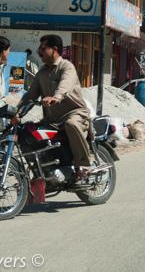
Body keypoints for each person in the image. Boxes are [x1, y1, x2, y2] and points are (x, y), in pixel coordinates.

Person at [22, 34, 93, 180]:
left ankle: (83, 166)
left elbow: (65, 85)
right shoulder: (41, 73)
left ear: (54, 50)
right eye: (39, 48)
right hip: (52, 120)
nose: (38, 51)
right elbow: (30, 95)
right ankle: (43, 170)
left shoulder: (67, 67)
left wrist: (56, 97)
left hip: (74, 113)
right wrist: (17, 112)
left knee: (71, 124)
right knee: (27, 132)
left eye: (43, 48)